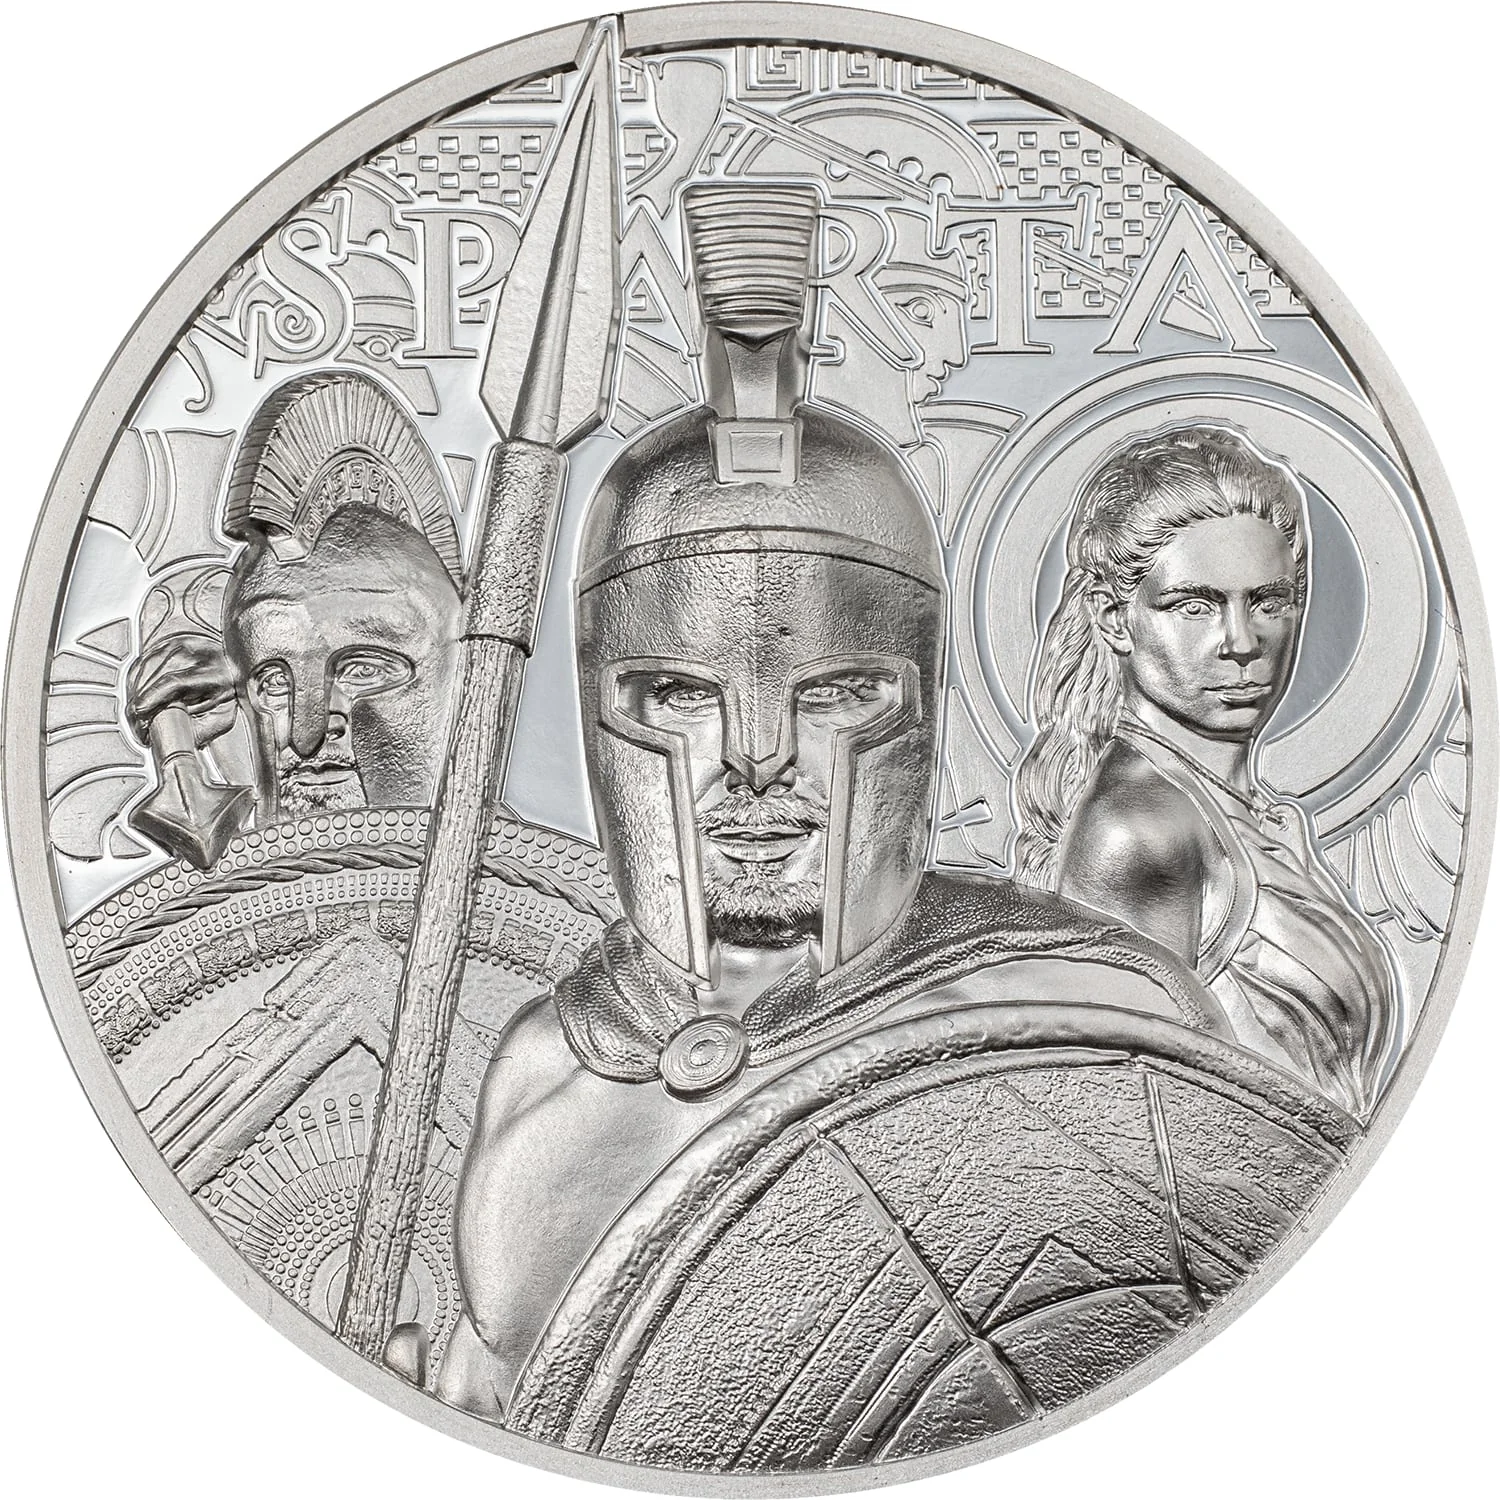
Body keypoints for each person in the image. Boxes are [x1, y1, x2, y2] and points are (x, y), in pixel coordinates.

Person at [434, 187, 1245, 1436]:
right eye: (680, 695)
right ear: (599, 708)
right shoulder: (549, 1067)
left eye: (834, 694)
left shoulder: (1088, 1017)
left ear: (922, 697)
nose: (758, 761)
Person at [1012, 423, 1401, 1119]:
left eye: (1268, 602)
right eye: (1195, 606)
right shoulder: (1139, 828)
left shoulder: (1241, 814)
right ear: (1114, 618)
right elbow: (1116, 1109)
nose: (1242, 642)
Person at [124, 370, 462, 854]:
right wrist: (178, 748)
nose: (306, 735)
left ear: (455, 678)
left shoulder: (534, 891)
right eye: (277, 683)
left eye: (362, 669)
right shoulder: (239, 899)